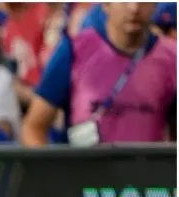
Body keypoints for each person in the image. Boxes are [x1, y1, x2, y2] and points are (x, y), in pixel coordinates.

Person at [21, 2, 177, 146]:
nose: (134, 7)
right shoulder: (74, 50)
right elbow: (33, 127)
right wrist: (52, 174)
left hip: (147, 173)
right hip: (86, 173)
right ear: (106, 5)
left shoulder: (172, 57)